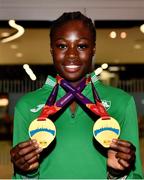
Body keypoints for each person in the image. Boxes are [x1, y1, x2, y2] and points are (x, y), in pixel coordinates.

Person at [10, 11, 143, 179]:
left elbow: (137, 176)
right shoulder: (27, 106)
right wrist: (27, 172)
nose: (72, 55)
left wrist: (118, 174)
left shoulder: (122, 102)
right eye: (62, 46)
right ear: (51, 49)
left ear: (93, 49)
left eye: (81, 46)